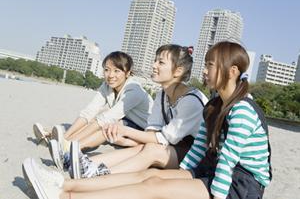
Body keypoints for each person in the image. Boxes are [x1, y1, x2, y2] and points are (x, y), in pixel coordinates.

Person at [22, 41, 271, 199]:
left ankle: (69, 196)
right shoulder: (214, 106)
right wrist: (181, 175)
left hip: (240, 185)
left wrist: (213, 194)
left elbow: (228, 159)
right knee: (152, 178)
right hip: (210, 168)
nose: (204, 71)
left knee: (153, 190)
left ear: (232, 71)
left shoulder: (242, 110)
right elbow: (199, 148)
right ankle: (65, 185)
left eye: (210, 65)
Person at [68, 44, 208, 179]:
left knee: (152, 150)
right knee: (146, 147)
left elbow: (164, 138)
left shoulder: (191, 101)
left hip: (196, 159)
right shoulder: (162, 95)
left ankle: (102, 175)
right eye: (155, 61)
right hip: (173, 149)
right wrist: (126, 141)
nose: (154, 66)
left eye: (160, 62)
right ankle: (81, 163)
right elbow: (152, 133)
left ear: (178, 71)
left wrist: (124, 132)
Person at [33, 51, 154, 170]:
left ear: (127, 73)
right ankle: (61, 142)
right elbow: (89, 111)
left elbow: (106, 119)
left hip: (146, 132)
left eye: (117, 71)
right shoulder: (107, 86)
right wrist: (66, 136)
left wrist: (70, 142)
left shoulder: (134, 90)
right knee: (95, 122)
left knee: (108, 127)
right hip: (128, 122)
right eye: (107, 70)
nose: (111, 75)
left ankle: (69, 149)